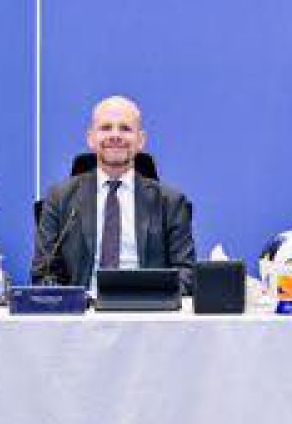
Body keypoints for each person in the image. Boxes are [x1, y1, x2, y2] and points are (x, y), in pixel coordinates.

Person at [31, 96, 195, 293]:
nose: (115, 135)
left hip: (148, 306)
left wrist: (152, 297)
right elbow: (43, 274)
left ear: (141, 140)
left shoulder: (171, 203)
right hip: (82, 309)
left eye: (125, 128)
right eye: (106, 128)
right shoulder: (59, 199)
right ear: (91, 138)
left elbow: (187, 274)